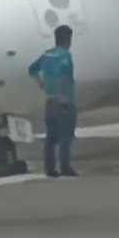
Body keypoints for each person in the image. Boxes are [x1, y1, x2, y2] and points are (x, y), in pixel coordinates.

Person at [27, 25, 78, 178]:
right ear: (68, 39)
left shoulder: (47, 55)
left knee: (51, 138)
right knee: (65, 137)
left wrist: (41, 84)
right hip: (64, 102)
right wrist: (62, 95)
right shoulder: (65, 56)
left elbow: (32, 69)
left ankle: (49, 169)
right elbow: (64, 75)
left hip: (49, 101)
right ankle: (65, 167)